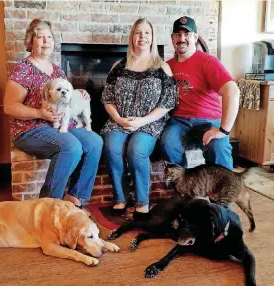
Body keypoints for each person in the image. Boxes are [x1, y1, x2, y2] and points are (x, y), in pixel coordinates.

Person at [4, 19, 103, 208]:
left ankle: (74, 199)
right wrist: (39, 113)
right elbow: (9, 106)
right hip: (30, 128)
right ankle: (48, 205)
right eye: (40, 37)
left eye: (49, 37)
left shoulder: (56, 70)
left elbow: (66, 99)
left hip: (59, 125)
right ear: (30, 41)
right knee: (71, 146)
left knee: (94, 141)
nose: (46, 41)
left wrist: (79, 94)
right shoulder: (23, 69)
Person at [101, 18, 178, 220]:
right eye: (138, 33)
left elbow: (168, 103)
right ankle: (121, 198)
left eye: (146, 33)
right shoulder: (118, 66)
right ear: (132, 37)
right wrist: (118, 119)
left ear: (152, 38)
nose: (142, 37)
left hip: (150, 122)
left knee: (136, 150)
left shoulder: (162, 67)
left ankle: (142, 202)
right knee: (111, 147)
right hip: (119, 120)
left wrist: (142, 121)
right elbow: (107, 99)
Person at [159, 16, 240, 171]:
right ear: (172, 38)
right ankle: (184, 188)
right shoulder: (167, 66)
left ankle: (224, 193)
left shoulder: (208, 61)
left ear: (195, 37)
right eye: (177, 34)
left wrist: (223, 130)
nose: (181, 38)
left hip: (208, 121)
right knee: (167, 143)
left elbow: (232, 91)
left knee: (219, 148)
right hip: (179, 121)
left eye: (187, 34)